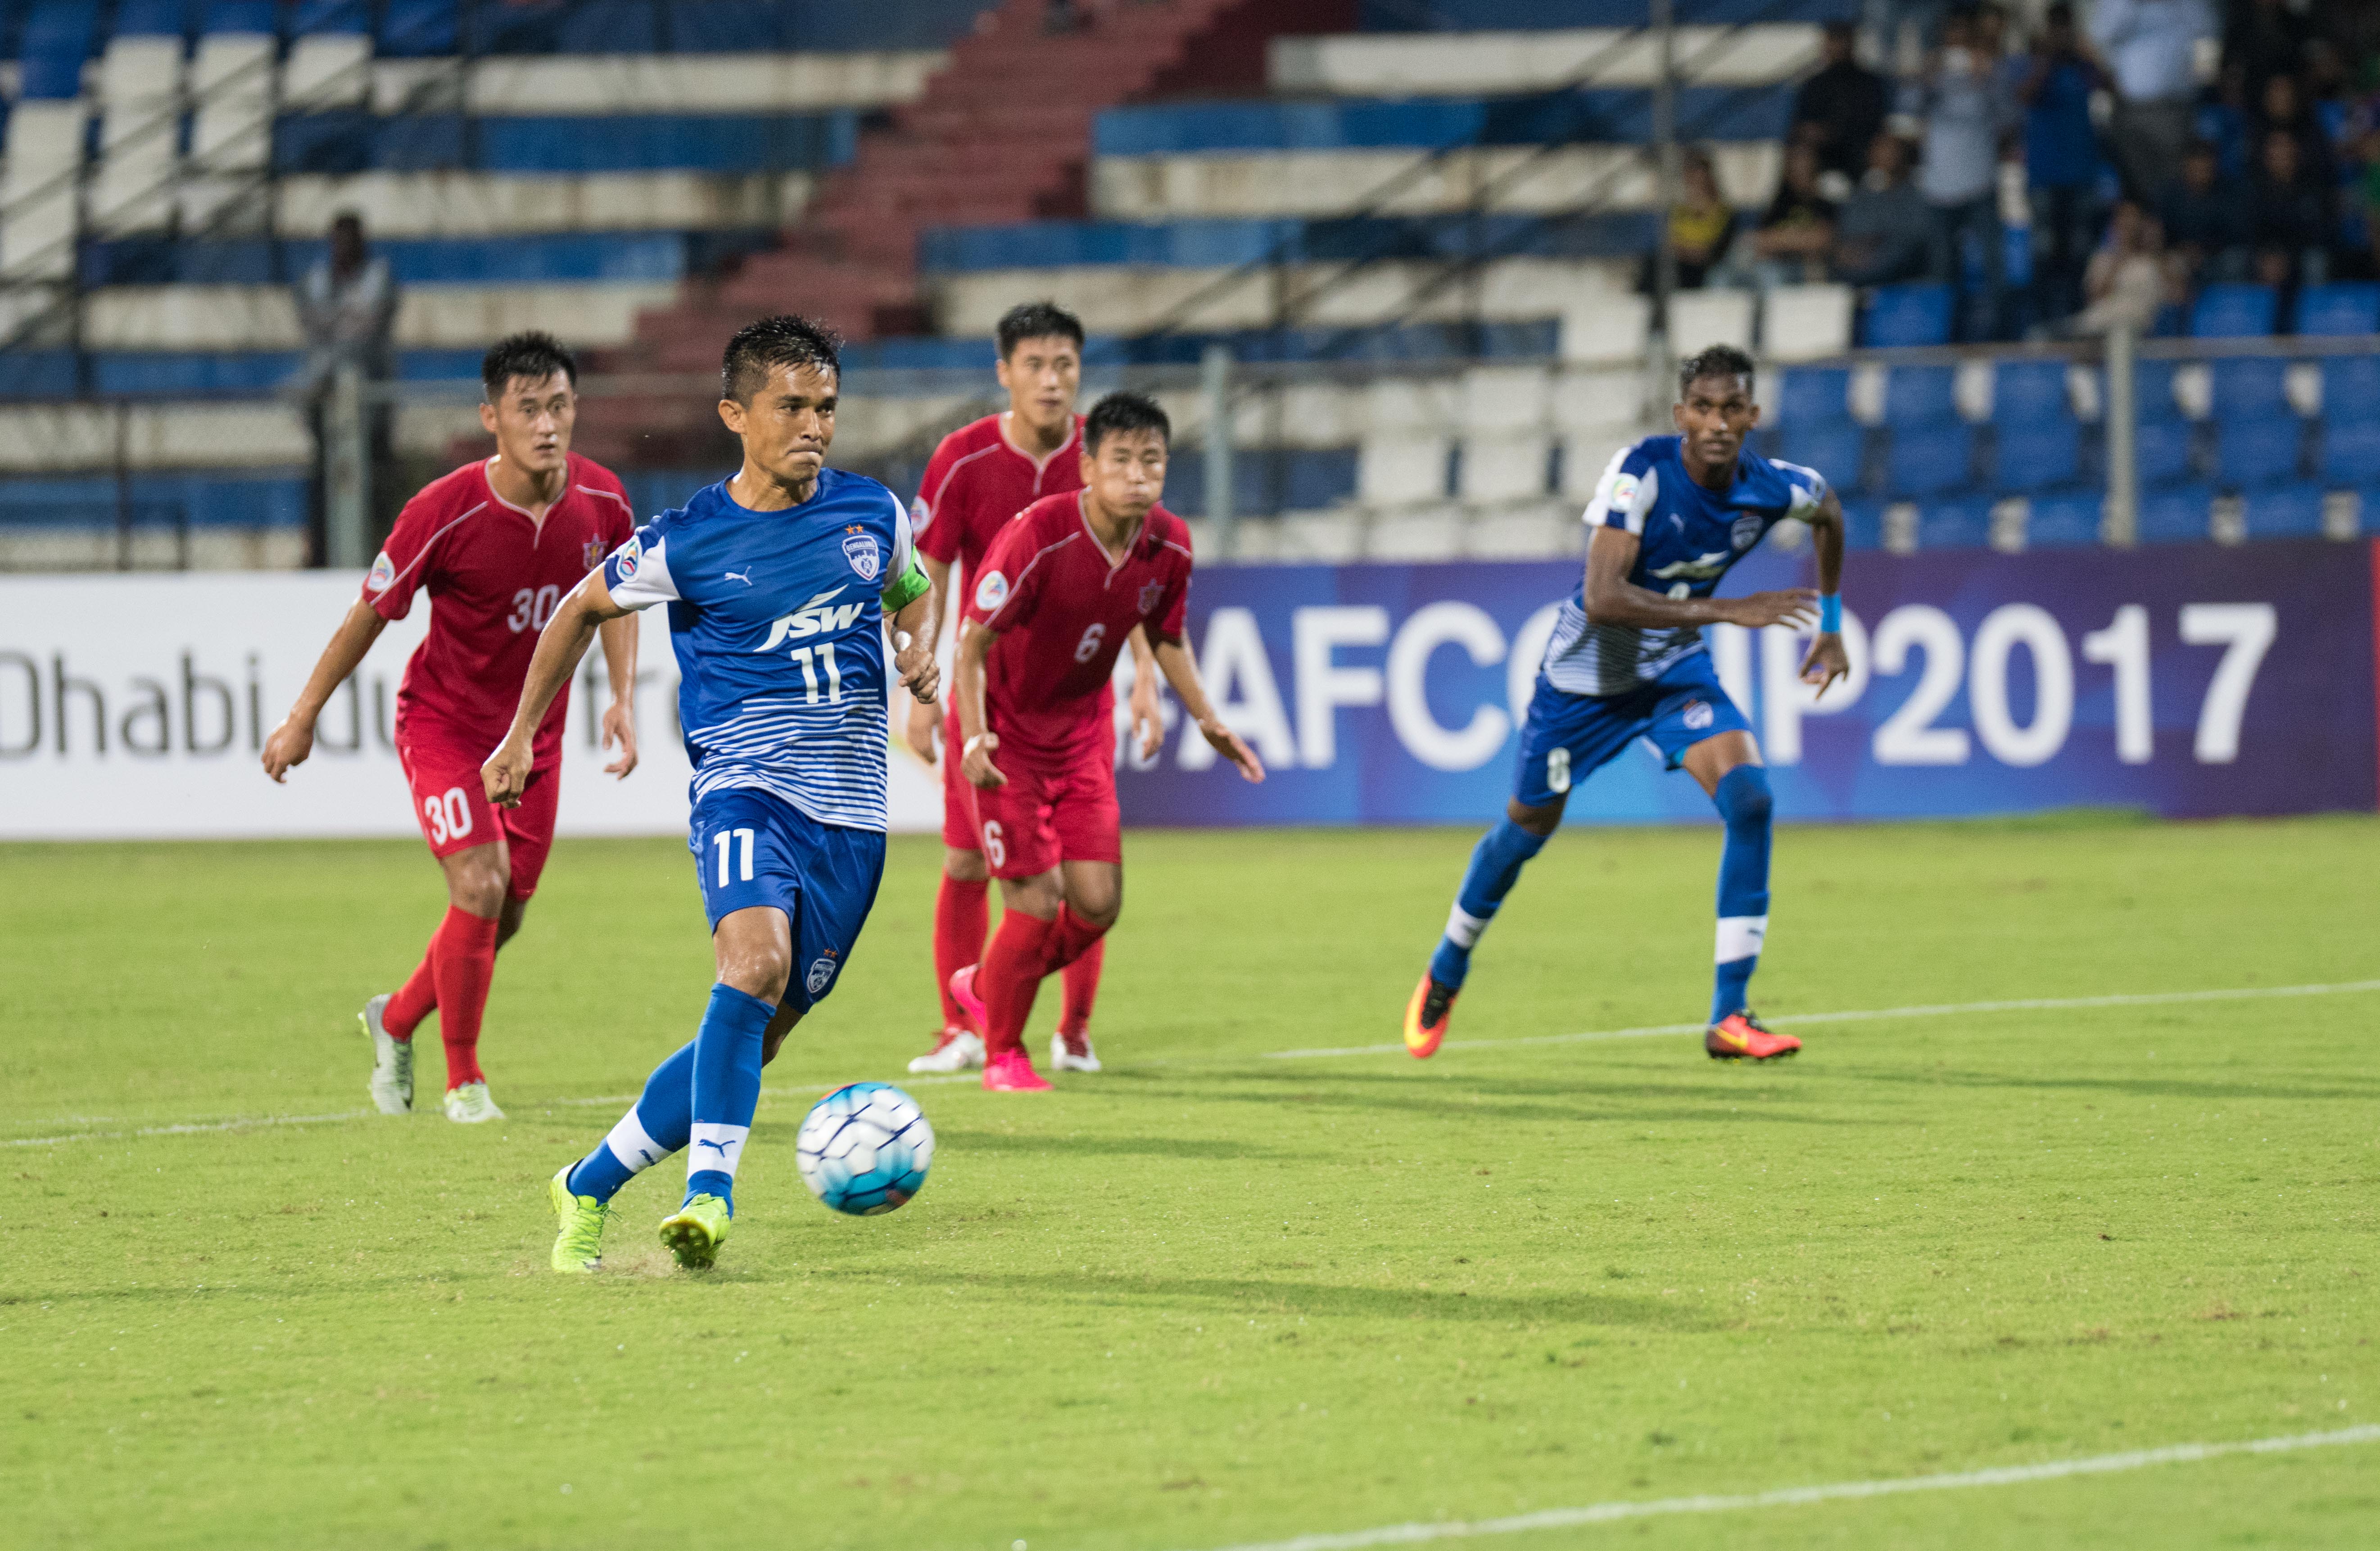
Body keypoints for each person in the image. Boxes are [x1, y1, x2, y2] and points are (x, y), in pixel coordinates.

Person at [499, 315, 942, 1273]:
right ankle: (712, 1195)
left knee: (759, 1030)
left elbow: (914, 585)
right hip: (744, 791)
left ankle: (586, 1184)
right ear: (736, 414)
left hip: (854, 823)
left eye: (826, 407)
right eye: (792, 407)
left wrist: (917, 642)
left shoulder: (873, 513)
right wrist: (520, 736)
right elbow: (580, 608)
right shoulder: (689, 538)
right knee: (749, 967)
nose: (814, 426)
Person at [1404, 345, 1849, 1065]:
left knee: (1751, 800)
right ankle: (1448, 966)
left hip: (1673, 673)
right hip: (1585, 683)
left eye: (1731, 408)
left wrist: (1829, 627)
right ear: (1680, 415)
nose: (1716, 422)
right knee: (1525, 830)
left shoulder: (1773, 487)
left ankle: (1729, 1016)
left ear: (1752, 416)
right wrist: (1729, 609)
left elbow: (1828, 511)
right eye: (1701, 408)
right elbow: (1606, 599)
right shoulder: (1640, 471)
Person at [261, 332, 640, 1124]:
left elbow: (618, 598)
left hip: (533, 737)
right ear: (491, 418)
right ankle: (462, 1080)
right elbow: (368, 616)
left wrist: (622, 697)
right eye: (527, 409)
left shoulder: (603, 501)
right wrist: (301, 719)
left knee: (505, 912)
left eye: (560, 407)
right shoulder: (444, 509)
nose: (547, 425)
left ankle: (396, 1019)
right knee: (478, 883)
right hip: (445, 728)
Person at [946, 393, 1265, 1092]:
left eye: (1151, 460)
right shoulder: (1040, 536)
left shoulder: (1171, 544)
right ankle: (1003, 1053)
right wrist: (974, 736)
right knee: (1032, 903)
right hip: (1004, 737)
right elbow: (971, 645)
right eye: (1120, 459)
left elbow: (1167, 636)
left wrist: (1209, 719)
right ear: (1087, 467)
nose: (1138, 474)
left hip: (1080, 735)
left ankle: (987, 981)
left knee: (1097, 905)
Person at [901, 301, 1160, 1078]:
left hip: (1079, 697)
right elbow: (929, 573)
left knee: (1085, 867)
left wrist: (1146, 676)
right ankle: (963, 1027)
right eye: (1036, 366)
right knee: (967, 864)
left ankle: (1073, 1030)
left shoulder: (1108, 452)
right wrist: (920, 687)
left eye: (1066, 366)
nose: (1052, 381)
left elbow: (1132, 576)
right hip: (989, 696)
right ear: (1004, 373)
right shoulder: (963, 458)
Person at [294, 211, 398, 564]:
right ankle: (320, 558)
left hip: (372, 406)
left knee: (377, 485)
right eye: (338, 241)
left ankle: (386, 556)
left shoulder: (379, 277)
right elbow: (315, 321)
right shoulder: (317, 280)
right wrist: (349, 320)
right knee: (323, 485)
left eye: (351, 241)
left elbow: (367, 329)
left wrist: (338, 323)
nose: (344, 249)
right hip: (325, 404)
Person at [1910, 8, 2012, 339]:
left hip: (1980, 182)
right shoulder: (1933, 74)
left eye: (1964, 39)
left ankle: (2000, 336)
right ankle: (1944, 338)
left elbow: (2011, 117)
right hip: (1940, 186)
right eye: (1952, 38)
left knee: (1994, 267)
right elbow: (1908, 110)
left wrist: (1990, 81)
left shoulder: (1990, 72)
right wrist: (1922, 80)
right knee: (1942, 269)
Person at [2019, 3, 2112, 326]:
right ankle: (2042, 323)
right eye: (2056, 28)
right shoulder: (2035, 63)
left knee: (2080, 255)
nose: (2062, 35)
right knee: (2044, 254)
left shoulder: (2081, 67)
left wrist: (2088, 55)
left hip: (2082, 174)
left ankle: (2075, 322)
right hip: (2046, 176)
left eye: (2066, 28)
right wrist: (2047, 59)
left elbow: (2111, 86)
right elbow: (2026, 96)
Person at [2088, 0, 2218, 204]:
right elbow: (2101, 34)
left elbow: (2208, 27)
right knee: (2137, 189)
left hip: (2176, 107)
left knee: (2176, 185)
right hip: (2131, 108)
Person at [1833, 133, 1941, 285]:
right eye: (1880, 149)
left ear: (1903, 154)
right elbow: (1849, 231)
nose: (1885, 155)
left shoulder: (1919, 194)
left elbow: (1916, 237)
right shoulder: (1859, 195)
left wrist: (1879, 243)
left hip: (1904, 272)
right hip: (1858, 267)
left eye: (1892, 150)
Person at [1789, 22, 1889, 182]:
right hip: (1824, 155)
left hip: (1861, 153)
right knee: (1801, 155)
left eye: (1843, 40)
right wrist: (1815, 133)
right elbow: (1802, 127)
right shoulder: (1814, 85)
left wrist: (1835, 133)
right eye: (1834, 41)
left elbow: (1875, 124)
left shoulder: (1869, 83)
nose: (1839, 47)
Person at [2063, 201, 2175, 337]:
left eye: (2132, 219)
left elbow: (2174, 297)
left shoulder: (2154, 262)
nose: (2128, 225)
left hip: (2137, 326)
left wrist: (2156, 252)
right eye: (2123, 220)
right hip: (2100, 324)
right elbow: (2093, 299)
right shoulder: (2103, 259)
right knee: (2044, 336)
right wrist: (2118, 262)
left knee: (2121, 332)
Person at [2246, 127, 2334, 289]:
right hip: (2265, 256)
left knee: (2316, 261)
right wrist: (2268, 256)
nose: (2282, 152)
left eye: (2286, 146)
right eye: (2276, 146)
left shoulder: (2313, 186)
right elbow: (2249, 231)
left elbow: (2320, 232)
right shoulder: (2253, 188)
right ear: (2266, 155)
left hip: (2300, 254)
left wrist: (2288, 258)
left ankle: (2313, 313)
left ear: (2297, 151)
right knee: (2238, 261)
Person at [1747, 140, 1838, 288]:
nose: (1800, 175)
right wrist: (1799, 238)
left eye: (1805, 170)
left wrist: (1782, 238)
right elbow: (1761, 241)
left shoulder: (1824, 204)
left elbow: (1822, 240)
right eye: (1795, 170)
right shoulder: (1780, 204)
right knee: (1763, 271)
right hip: (1779, 265)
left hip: (1811, 268)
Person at [2159, 137, 2250, 285]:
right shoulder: (2171, 194)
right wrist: (2182, 249)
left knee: (2236, 261)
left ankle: (2226, 306)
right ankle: (2177, 308)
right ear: (2186, 166)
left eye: (2206, 168)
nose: (2201, 173)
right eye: (2196, 168)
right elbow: (2162, 232)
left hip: (2219, 256)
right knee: (2170, 264)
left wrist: (2205, 249)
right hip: (2181, 255)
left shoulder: (2231, 193)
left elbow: (2238, 234)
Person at [1645, 147, 1737, 293]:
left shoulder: (1723, 212)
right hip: (1681, 265)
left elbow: (1711, 252)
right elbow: (1670, 243)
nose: (1692, 178)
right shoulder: (1680, 210)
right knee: (1654, 264)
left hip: (1704, 269)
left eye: (1696, 172)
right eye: (1689, 172)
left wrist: (1687, 250)